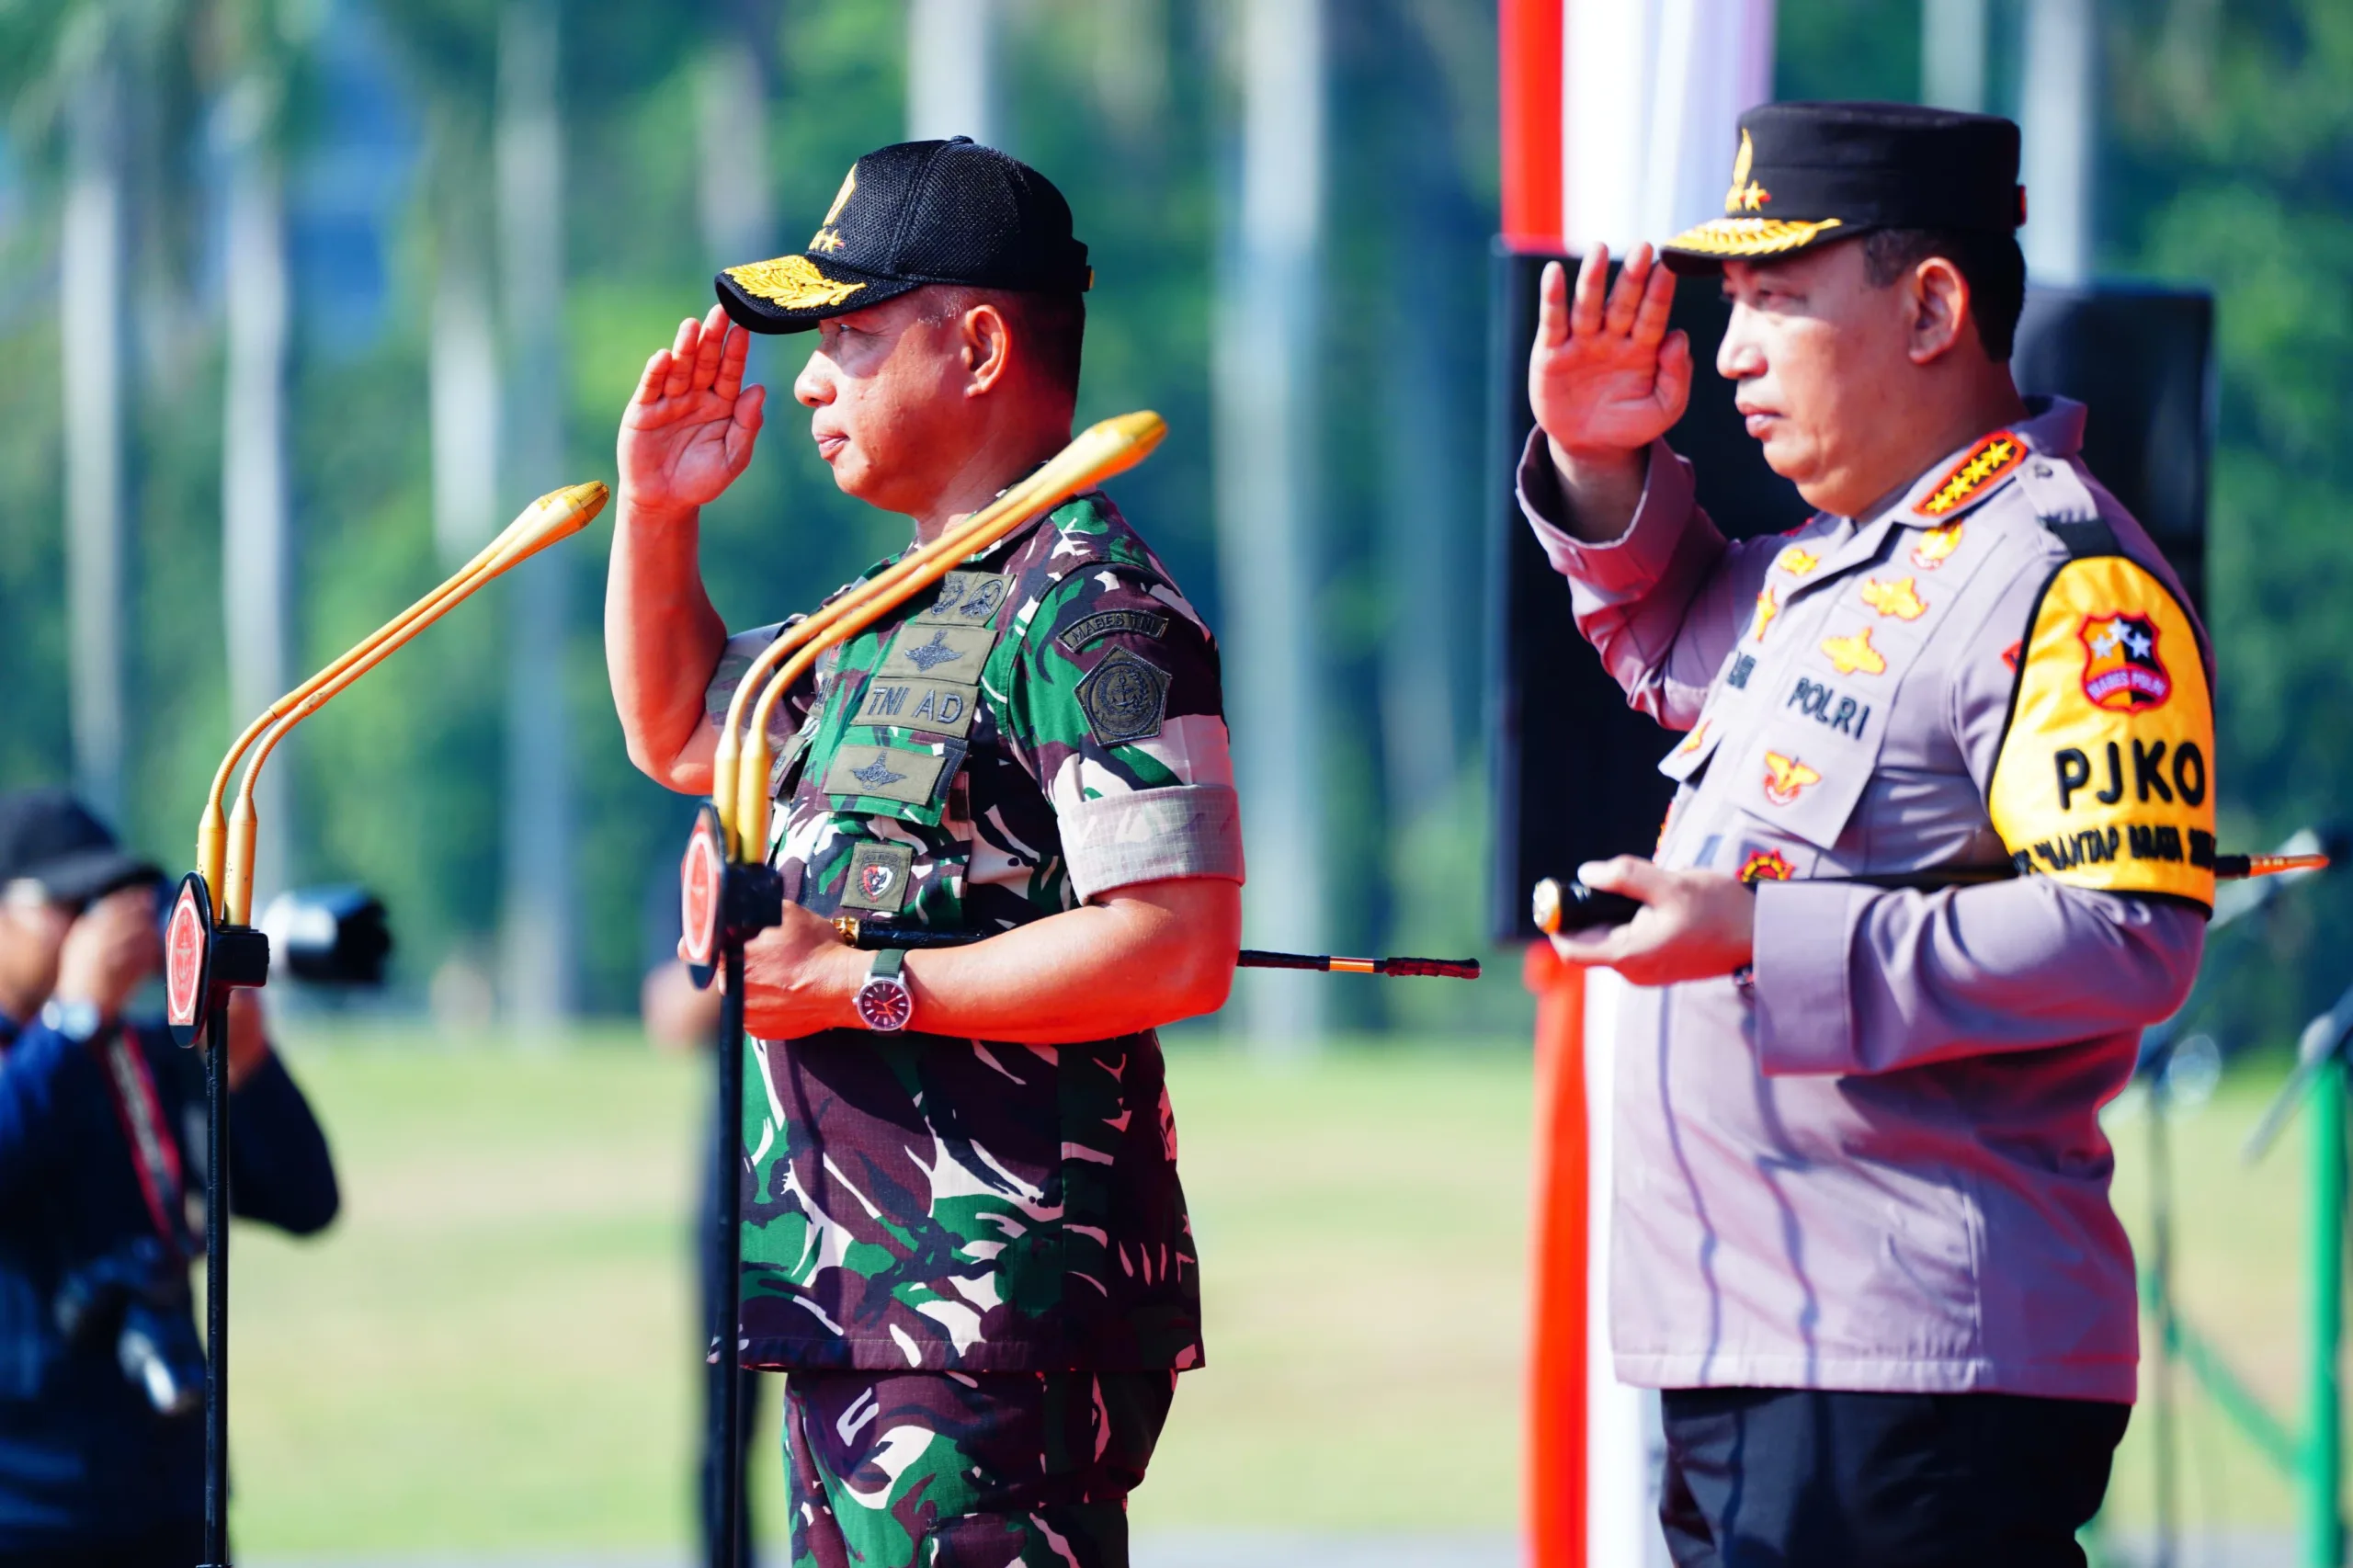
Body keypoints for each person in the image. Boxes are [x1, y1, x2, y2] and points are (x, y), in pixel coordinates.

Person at [1522, 103, 2212, 1565]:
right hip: (1764, 1345)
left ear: (1933, 310)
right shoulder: (1837, 559)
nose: (1730, 353)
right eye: (1732, 305)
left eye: (1776, 300)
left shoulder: (2064, 578)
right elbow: (1663, 636)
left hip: (1913, 1367)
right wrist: (1592, 457)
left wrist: (1760, 936)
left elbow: (2131, 933)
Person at [605, 137, 1245, 1568]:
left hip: (998, 1313)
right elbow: (682, 726)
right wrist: (657, 515)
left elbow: (1178, 941)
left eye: (850, 335)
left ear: (978, 347)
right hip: (855, 1302)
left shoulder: (1092, 606)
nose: (810, 380)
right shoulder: (898, 603)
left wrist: (857, 984)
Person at [0, 790, 339, 1568]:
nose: (95, 931)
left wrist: (245, 1062)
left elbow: (306, 1200)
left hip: (170, 1495)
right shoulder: (60, 1051)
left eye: (108, 906)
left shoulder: (143, 1058)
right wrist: (72, 1022)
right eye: (68, 906)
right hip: (25, 1508)